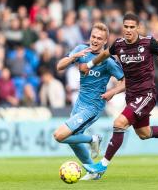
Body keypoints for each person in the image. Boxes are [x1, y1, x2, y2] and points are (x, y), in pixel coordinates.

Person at [79, 13, 158, 175]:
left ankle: (102, 165)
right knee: (144, 133)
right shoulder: (118, 45)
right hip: (132, 96)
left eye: (132, 27)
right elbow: (105, 54)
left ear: (138, 28)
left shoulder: (148, 43)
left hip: (147, 94)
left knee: (119, 123)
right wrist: (89, 64)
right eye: (126, 26)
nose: (128, 30)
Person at [53, 22, 124, 180]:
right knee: (73, 140)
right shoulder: (80, 50)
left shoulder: (108, 61)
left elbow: (126, 81)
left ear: (105, 41)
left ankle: (94, 139)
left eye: (99, 38)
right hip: (79, 102)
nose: (95, 40)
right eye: (93, 36)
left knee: (59, 136)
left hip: (93, 106)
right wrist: (74, 57)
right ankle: (94, 172)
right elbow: (59, 66)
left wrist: (112, 92)